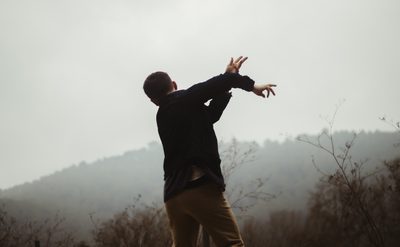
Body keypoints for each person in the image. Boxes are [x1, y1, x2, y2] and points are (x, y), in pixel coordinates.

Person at [143, 56, 276, 247]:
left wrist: (227, 81)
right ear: (174, 84)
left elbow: (210, 116)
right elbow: (219, 83)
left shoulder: (163, 115)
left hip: (173, 195)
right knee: (232, 244)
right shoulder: (185, 99)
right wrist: (251, 85)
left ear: (153, 100)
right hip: (198, 186)